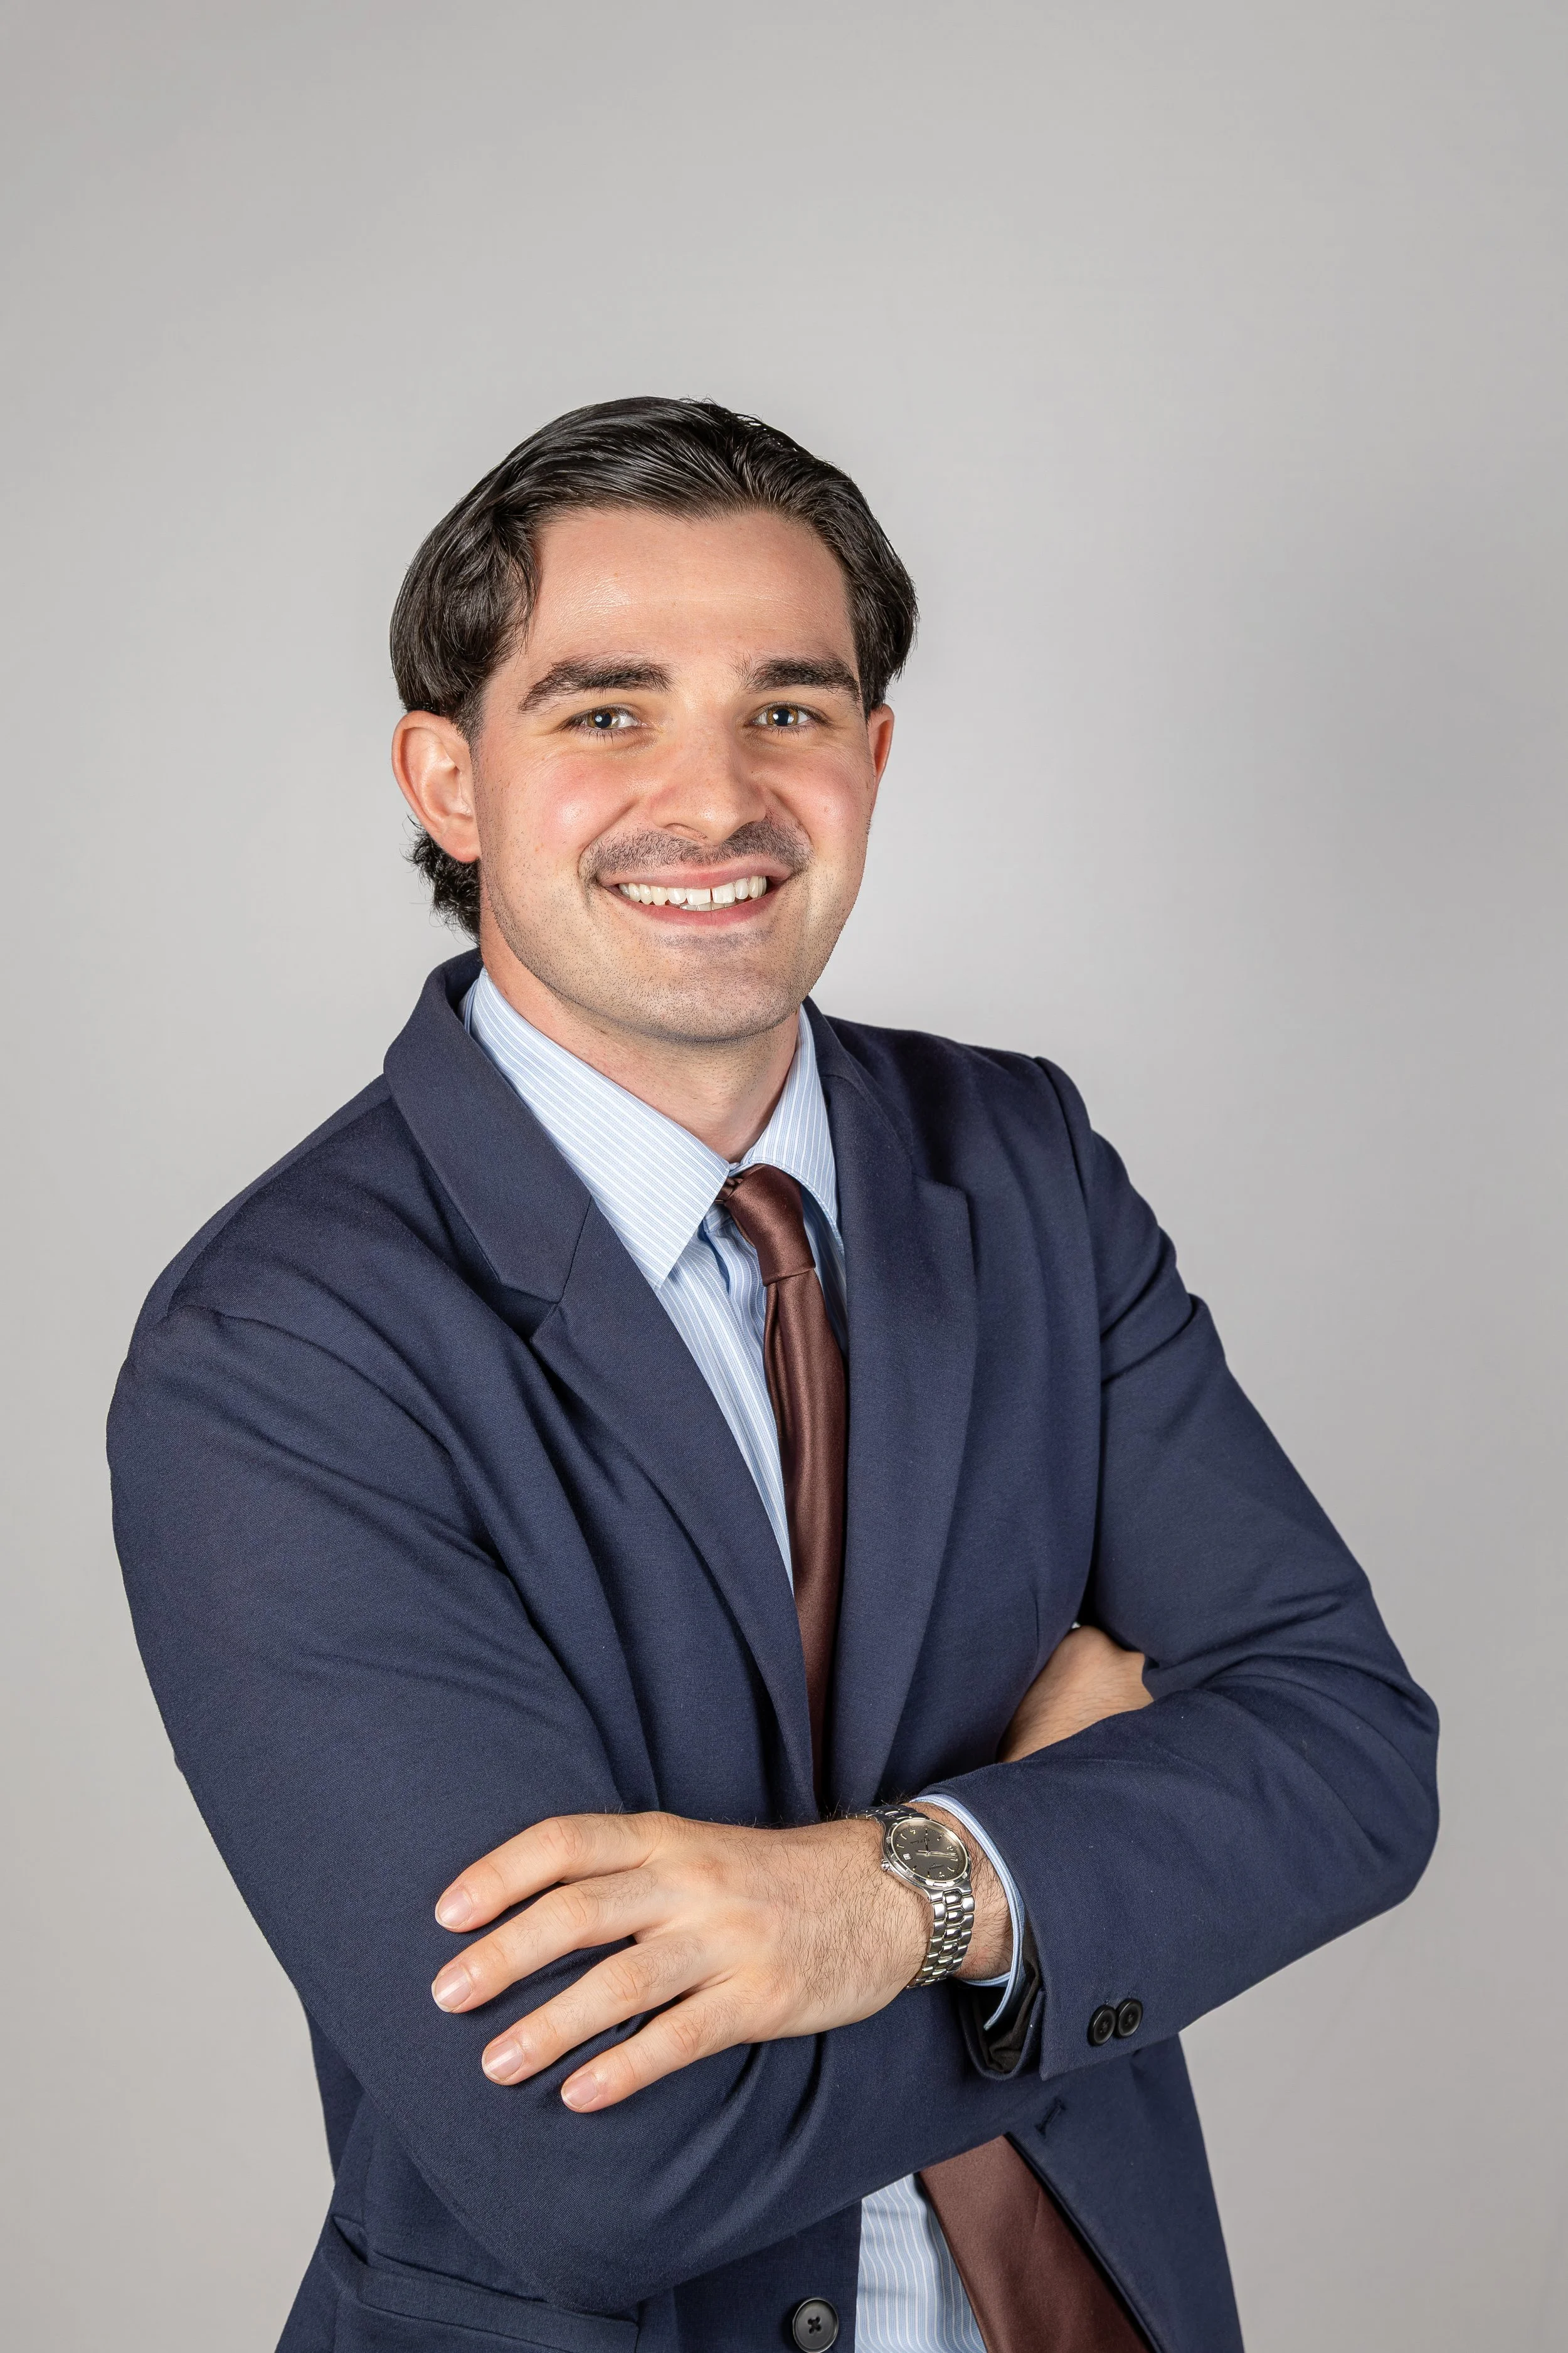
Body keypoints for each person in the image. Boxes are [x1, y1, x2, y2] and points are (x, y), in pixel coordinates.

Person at [109, 398, 1439, 2353]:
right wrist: (1047, 1847)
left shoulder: (1022, 1163)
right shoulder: (280, 1348)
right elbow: (590, 2166)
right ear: (448, 778)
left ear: (874, 755)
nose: (716, 797)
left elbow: (1347, 1757)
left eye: (789, 709)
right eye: (605, 708)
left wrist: (885, 1895)